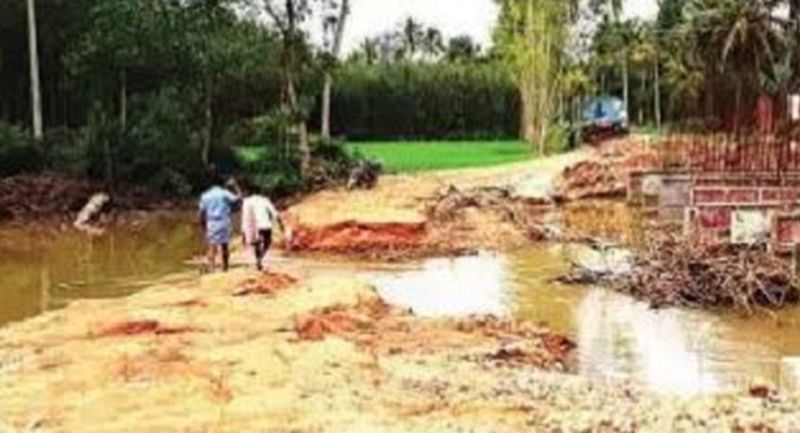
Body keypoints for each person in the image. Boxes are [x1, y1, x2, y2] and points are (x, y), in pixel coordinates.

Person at [241, 184, 290, 271]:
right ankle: (260, 258)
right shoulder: (264, 200)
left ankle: (258, 259)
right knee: (268, 242)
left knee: (256, 244)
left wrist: (244, 231)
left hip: (253, 226)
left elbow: (245, 217)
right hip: (265, 224)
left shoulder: (247, 201)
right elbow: (274, 213)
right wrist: (281, 225)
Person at [199, 175, 241, 273]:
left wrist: (202, 225)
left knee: (212, 246)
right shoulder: (224, 193)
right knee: (224, 245)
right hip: (224, 221)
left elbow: (201, 212)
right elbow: (238, 199)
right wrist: (236, 186)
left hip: (211, 222)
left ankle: (212, 268)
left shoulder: (205, 195)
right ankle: (225, 268)